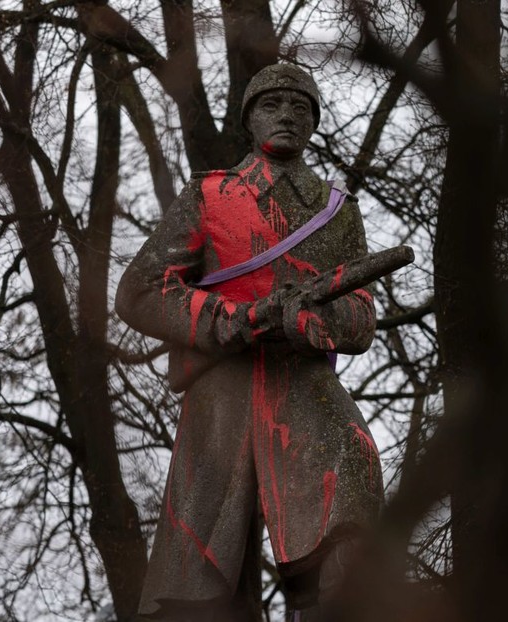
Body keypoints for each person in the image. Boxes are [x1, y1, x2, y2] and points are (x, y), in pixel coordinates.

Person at [116, 63, 383, 622]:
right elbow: (139, 292)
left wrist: (314, 320)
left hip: (304, 385)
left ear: (313, 123)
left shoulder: (338, 210)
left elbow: (361, 315)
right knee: (198, 583)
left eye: (300, 107)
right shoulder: (209, 196)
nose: (287, 115)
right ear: (249, 116)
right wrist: (228, 319)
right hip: (224, 392)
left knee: (351, 488)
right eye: (271, 104)